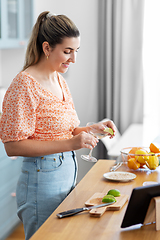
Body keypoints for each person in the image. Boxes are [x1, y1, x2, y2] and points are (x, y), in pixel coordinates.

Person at [0, 11, 116, 240]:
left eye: (76, 51)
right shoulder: (24, 84)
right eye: (67, 51)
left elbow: (69, 131)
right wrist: (73, 142)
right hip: (40, 180)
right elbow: (12, 146)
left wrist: (93, 129)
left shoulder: (60, 80)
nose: (73, 59)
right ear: (46, 48)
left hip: (65, 174)